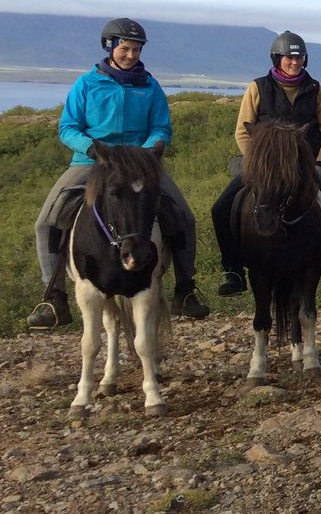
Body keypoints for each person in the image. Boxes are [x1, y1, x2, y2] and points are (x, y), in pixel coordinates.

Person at [27, 18, 209, 329]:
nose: (131, 55)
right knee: (46, 221)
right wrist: (93, 148)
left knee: (184, 217)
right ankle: (53, 297)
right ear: (110, 47)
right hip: (92, 162)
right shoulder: (86, 84)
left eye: (136, 49)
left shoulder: (150, 86)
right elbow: (68, 127)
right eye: (125, 48)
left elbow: (161, 127)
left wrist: (148, 152)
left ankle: (185, 289)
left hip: (140, 163)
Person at [212, 31, 321, 296]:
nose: (295, 62)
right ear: (277, 59)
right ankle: (232, 270)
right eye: (289, 57)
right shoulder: (257, 88)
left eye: (299, 57)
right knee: (221, 208)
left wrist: (320, 165)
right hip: (265, 169)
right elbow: (242, 131)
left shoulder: (315, 90)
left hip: (304, 168)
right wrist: (257, 163)